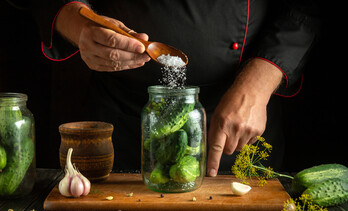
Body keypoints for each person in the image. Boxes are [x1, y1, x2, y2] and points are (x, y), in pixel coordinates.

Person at [31, 0, 320, 174]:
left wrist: (258, 84)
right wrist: (78, 24)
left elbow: (305, 7)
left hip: (240, 117)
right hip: (125, 122)